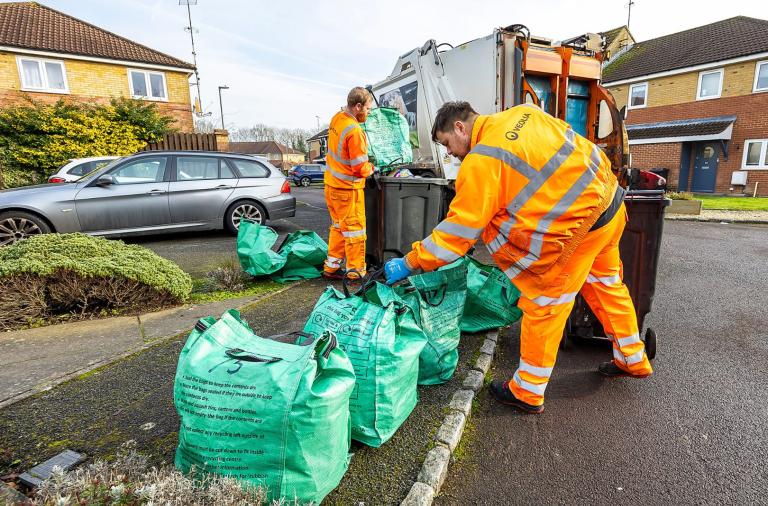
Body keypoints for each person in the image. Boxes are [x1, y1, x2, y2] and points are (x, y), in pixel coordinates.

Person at [384, 101, 653, 414]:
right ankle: (632, 358)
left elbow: (455, 236)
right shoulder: (525, 114)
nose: (450, 153)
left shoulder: (482, 160)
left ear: (460, 127)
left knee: (545, 306)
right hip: (609, 205)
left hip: (575, 231)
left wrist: (410, 262)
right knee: (607, 284)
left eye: (446, 143)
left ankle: (527, 391)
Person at [323, 87, 375, 280]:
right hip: (348, 190)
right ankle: (356, 274)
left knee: (338, 227)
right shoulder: (355, 131)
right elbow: (361, 168)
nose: (368, 113)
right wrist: (372, 168)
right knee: (355, 231)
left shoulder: (337, 119)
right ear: (358, 106)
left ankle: (331, 267)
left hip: (331, 186)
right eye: (368, 109)